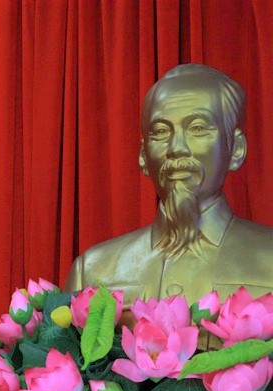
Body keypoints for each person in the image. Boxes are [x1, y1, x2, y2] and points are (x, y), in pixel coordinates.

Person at [65, 64, 273, 304]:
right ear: (143, 155)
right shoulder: (93, 271)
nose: (176, 148)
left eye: (197, 128)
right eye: (161, 131)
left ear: (236, 149)